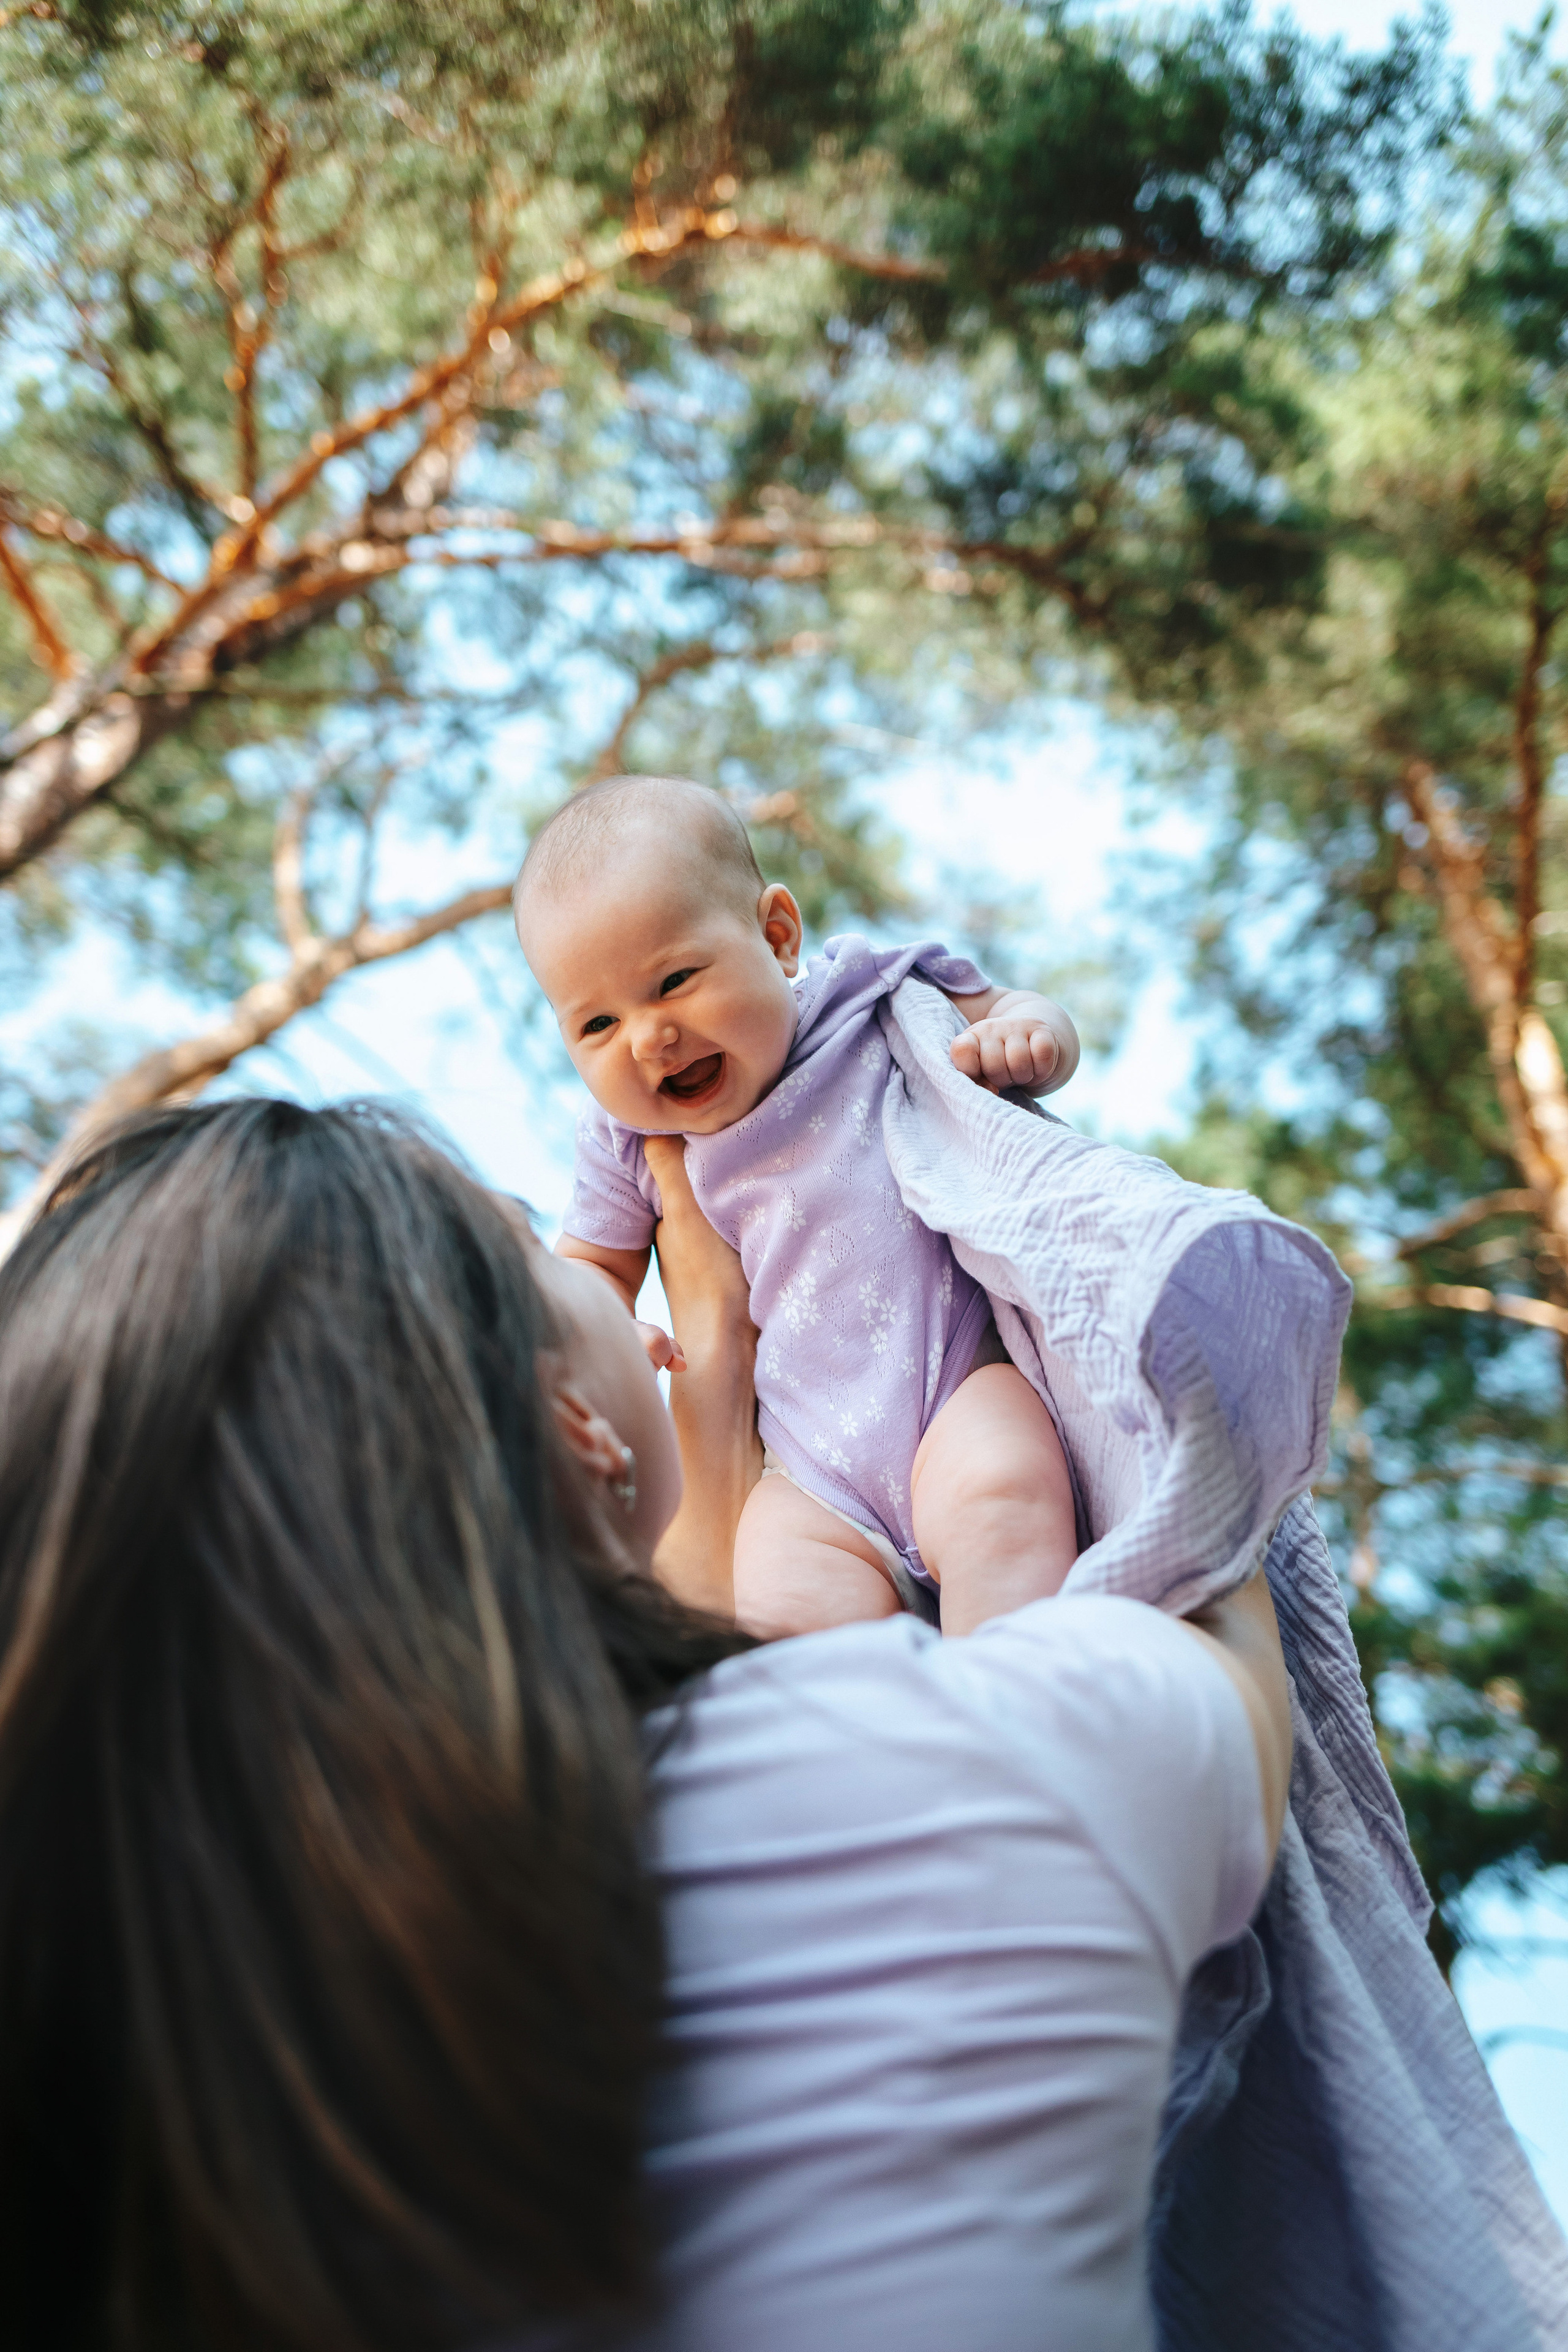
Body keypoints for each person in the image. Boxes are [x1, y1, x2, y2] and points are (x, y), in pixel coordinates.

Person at [0, 1097, 1289, 2352]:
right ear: (567, 1420)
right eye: (532, 1243)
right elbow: (1221, 1652)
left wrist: (719, 1385)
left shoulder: (120, 2062)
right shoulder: (939, 1759)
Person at [514, 771, 1083, 1638]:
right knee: (781, 1615)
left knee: (1007, 1501)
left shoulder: (861, 996)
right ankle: (878, 1766)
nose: (648, 1037)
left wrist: (1030, 1033)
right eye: (596, 1025)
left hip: (954, 1381)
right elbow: (588, 1267)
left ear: (777, 936)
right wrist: (604, 1327)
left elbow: (1005, 1006)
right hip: (810, 1468)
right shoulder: (626, 1142)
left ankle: (1008, 1727)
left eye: (674, 980)